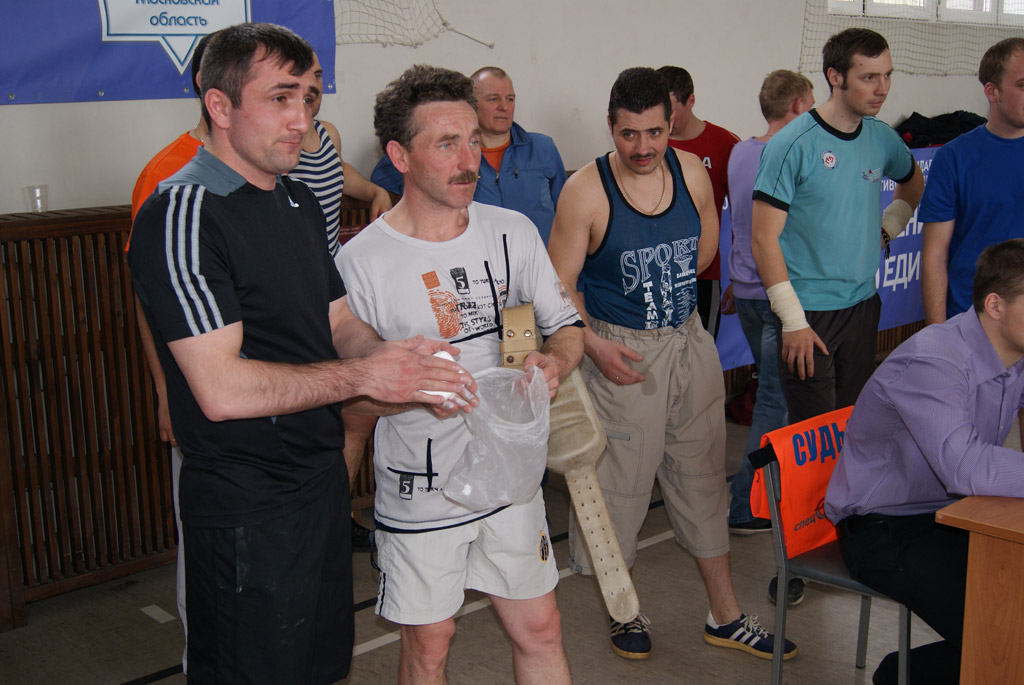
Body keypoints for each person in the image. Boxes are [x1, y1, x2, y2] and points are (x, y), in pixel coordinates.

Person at [128, 24, 472, 684]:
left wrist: (395, 358)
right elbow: (220, 389)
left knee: (319, 668)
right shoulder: (184, 212)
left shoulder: (295, 197)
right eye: (281, 98)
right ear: (219, 105)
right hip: (247, 505)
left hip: (318, 485)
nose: (302, 120)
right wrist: (367, 374)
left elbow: (337, 320)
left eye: (308, 99)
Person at [337, 64, 581, 685]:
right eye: (447, 144)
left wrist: (553, 361)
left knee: (541, 627)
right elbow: (349, 399)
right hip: (422, 490)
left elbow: (563, 326)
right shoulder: (360, 263)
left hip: (511, 480)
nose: (470, 159)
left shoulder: (513, 232)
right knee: (430, 645)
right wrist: (402, 389)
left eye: (473, 140)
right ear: (400, 156)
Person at [547, 66, 796, 662]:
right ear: (611, 127)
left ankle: (725, 615)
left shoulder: (691, 173)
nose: (643, 147)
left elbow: (705, 251)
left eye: (655, 132)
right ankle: (624, 610)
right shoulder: (586, 190)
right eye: (628, 134)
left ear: (672, 122)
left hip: (688, 344)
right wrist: (594, 344)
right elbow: (557, 288)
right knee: (621, 490)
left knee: (704, 478)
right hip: (621, 353)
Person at [825, 238, 1024, 685]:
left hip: (952, 517)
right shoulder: (936, 359)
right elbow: (968, 468)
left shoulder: (1014, 355)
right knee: (1005, 632)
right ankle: (899, 677)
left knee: (1010, 622)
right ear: (995, 305)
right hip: (883, 529)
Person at [751, 28, 924, 425]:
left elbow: (913, 183)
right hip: (809, 312)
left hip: (863, 305)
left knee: (852, 424)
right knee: (812, 435)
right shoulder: (792, 144)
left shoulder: (881, 137)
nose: (882, 88)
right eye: (869, 77)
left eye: (887, 75)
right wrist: (793, 320)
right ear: (835, 76)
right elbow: (762, 239)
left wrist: (888, 229)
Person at [127, 33, 212, 673]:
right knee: (204, 543)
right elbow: (147, 297)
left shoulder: (282, 170)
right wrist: (165, 391)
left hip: (275, 398)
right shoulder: (167, 174)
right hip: (200, 395)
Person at [288, 50, 393, 552]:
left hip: (337, 295)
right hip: (294, 300)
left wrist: (375, 191)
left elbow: (340, 175)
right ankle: (312, 525)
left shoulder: (325, 133)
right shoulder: (275, 142)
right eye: (299, 77)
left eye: (317, 76)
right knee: (311, 419)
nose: (311, 85)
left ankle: (333, 515)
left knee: (356, 414)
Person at [725, 70, 814, 539]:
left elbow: (743, 224)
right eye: (812, 105)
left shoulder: (741, 151)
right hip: (777, 293)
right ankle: (746, 502)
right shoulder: (790, 153)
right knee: (776, 402)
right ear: (798, 106)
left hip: (747, 289)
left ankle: (771, 491)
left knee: (776, 397)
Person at [370, 66, 568, 243]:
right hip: (475, 261)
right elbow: (387, 173)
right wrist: (379, 192)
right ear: (472, 104)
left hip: (540, 260)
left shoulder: (543, 148)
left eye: (510, 99)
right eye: (493, 99)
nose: (504, 107)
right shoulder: (455, 158)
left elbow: (567, 212)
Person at [920, 37, 1024, 325]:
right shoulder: (954, 158)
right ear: (992, 91)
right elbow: (935, 254)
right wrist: (938, 333)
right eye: (1023, 85)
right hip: (972, 320)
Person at [656, 65, 741, 337]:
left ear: (690, 100)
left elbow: (742, 217)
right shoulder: (651, 146)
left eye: (671, 110)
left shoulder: (724, 143)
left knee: (702, 352)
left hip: (703, 275)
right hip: (655, 274)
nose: (665, 119)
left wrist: (740, 277)